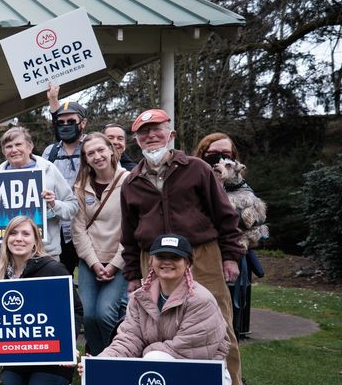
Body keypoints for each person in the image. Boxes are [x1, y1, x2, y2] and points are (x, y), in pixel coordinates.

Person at [121, 108, 248, 385]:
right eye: (144, 132)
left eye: (157, 130)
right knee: (150, 326)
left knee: (219, 327)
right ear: (136, 140)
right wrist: (134, 275)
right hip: (152, 257)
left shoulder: (197, 169)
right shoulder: (132, 182)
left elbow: (224, 216)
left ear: (171, 133)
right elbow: (128, 232)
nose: (151, 136)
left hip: (201, 255)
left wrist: (231, 255)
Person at [0, 216, 83, 385]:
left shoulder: (53, 269)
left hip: (50, 355)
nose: (18, 239)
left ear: (36, 240)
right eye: (13, 234)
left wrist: (67, 345)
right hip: (18, 355)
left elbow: (75, 310)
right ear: (5, 240)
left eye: (25, 234)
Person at [194, 133, 268, 385]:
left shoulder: (242, 189)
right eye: (214, 154)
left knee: (228, 321)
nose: (221, 160)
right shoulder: (194, 179)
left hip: (234, 254)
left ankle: (234, 384)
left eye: (227, 155)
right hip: (201, 255)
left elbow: (255, 222)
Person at [93, 234, 230, 364]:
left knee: (154, 358)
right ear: (151, 261)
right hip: (155, 368)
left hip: (206, 376)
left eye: (175, 257)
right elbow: (129, 339)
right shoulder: (139, 298)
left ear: (187, 262)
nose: (167, 262)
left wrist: (146, 353)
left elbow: (185, 350)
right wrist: (101, 361)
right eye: (161, 256)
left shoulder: (201, 300)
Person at [71, 132, 130, 355]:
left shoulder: (129, 181)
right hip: (90, 259)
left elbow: (131, 229)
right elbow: (78, 229)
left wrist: (114, 264)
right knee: (88, 314)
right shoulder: (80, 186)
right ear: (85, 158)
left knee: (105, 314)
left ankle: (112, 356)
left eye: (100, 150)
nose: (97, 156)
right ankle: (96, 360)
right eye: (90, 153)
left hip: (119, 260)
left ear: (111, 150)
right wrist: (94, 263)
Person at [0, 126, 78, 258]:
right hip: (5, 254)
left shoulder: (49, 170)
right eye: (9, 146)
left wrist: (53, 204)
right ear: (4, 151)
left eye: (18, 144)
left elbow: (72, 207)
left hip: (45, 252)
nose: (14, 150)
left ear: (30, 146)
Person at [41, 83, 88, 274]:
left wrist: (54, 100)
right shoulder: (49, 152)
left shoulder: (93, 147)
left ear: (82, 123)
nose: (65, 125)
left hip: (87, 226)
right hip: (58, 228)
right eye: (61, 122)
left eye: (71, 121)